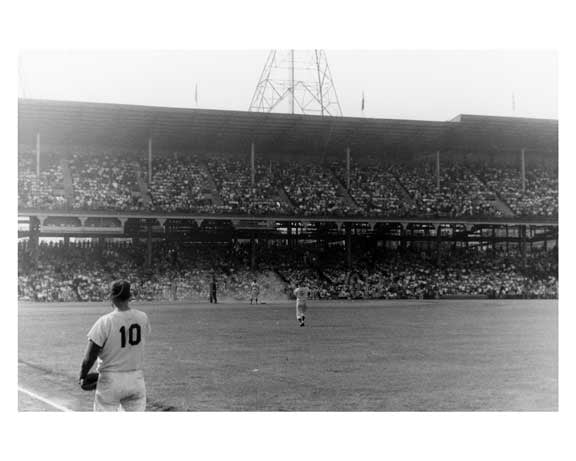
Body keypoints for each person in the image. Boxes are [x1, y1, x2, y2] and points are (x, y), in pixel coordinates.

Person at [78, 279, 151, 411]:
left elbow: (89, 356)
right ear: (129, 297)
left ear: (111, 298)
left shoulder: (105, 321)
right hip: (136, 379)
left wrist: (83, 376)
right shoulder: (143, 317)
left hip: (110, 380)